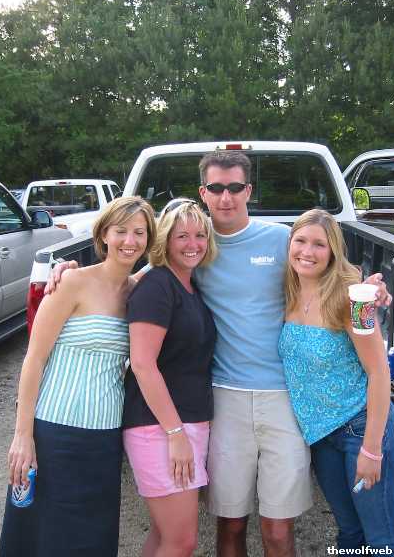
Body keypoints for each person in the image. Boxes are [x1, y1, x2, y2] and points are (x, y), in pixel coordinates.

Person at [47, 150, 391, 557]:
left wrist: (373, 288)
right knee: (230, 522)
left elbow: (328, 266)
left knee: (279, 529)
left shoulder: (281, 239)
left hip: (284, 398)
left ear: (248, 190)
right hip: (224, 398)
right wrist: (73, 272)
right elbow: (135, 279)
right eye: (215, 188)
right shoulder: (193, 240)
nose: (225, 197)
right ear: (203, 192)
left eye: (234, 187)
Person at [0, 196, 156, 557]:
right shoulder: (71, 282)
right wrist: (23, 436)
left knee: (91, 537)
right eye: (121, 231)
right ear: (104, 235)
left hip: (104, 436)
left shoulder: (140, 291)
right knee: (43, 536)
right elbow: (34, 359)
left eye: (139, 232)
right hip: (55, 432)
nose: (129, 241)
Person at [278, 209, 394, 552]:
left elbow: (379, 372)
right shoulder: (287, 291)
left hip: (362, 429)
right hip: (322, 437)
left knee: (383, 539)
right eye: (300, 241)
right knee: (349, 533)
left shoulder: (355, 300)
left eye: (319, 244)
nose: (307, 251)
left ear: (333, 251)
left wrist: (372, 449)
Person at [123, 199, 217, 557]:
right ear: (165, 240)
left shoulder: (189, 285)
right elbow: (142, 364)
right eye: (182, 236)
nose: (193, 244)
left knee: (166, 535)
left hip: (184, 423)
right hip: (159, 428)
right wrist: (175, 434)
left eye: (200, 235)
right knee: (181, 541)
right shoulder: (157, 286)